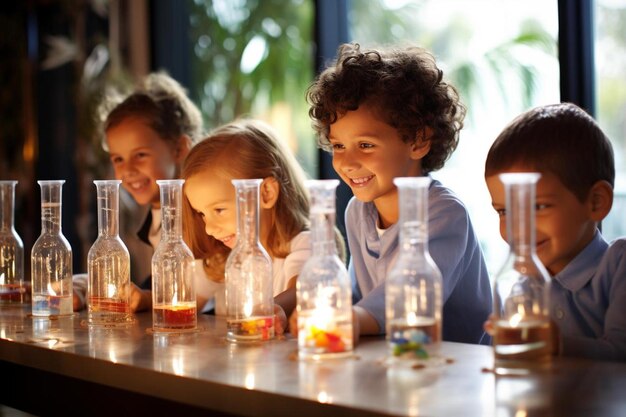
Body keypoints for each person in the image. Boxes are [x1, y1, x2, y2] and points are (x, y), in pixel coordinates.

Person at [297, 42, 492, 344]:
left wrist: (350, 319)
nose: (347, 162)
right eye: (338, 146)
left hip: (455, 369)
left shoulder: (444, 214)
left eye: (365, 145)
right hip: (392, 360)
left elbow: (411, 296)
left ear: (418, 140)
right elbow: (360, 296)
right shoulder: (358, 212)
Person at [484, 102, 626, 361]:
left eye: (538, 206)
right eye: (504, 211)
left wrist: (555, 344)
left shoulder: (618, 266)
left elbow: (621, 353)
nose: (519, 228)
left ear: (596, 202)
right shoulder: (522, 289)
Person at [73, 71, 204, 312]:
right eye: (118, 159)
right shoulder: (157, 217)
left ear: (179, 148)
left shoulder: (203, 216)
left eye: (140, 155)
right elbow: (158, 283)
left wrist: (147, 298)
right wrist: (84, 286)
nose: (128, 170)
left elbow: (203, 288)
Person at [182, 118, 326, 332]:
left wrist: (275, 308)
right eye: (202, 214)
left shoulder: (305, 243)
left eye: (219, 210)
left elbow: (302, 288)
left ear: (266, 193)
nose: (209, 229)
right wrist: (146, 300)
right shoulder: (223, 256)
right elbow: (186, 301)